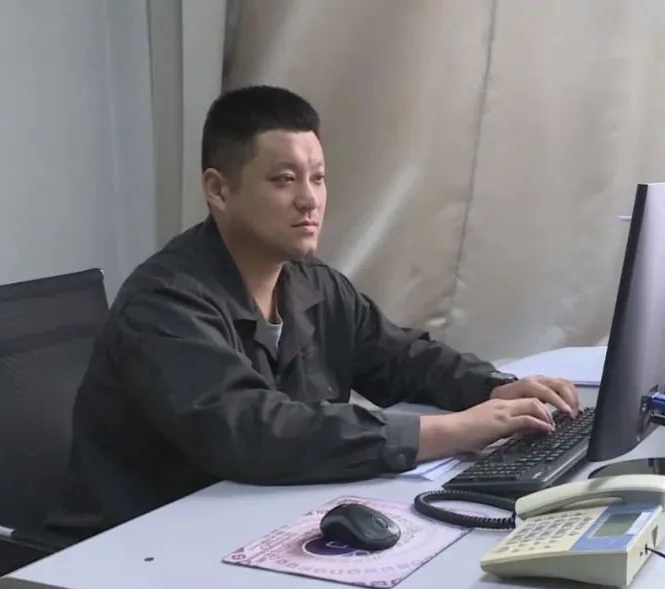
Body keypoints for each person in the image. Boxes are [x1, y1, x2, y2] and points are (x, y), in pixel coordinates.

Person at [48, 85, 579, 538]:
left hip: (256, 524)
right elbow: (254, 432)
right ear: (219, 190)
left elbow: (401, 358)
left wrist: (493, 389)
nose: (310, 200)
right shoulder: (165, 303)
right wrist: (453, 430)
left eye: (318, 177)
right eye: (284, 179)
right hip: (137, 548)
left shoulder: (311, 282)